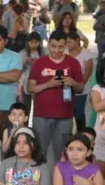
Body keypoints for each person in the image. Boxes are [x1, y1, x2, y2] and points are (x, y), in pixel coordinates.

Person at [29, 30, 85, 169]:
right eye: (53, 46)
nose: (57, 50)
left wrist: (72, 82)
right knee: (39, 152)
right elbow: (30, 88)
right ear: (48, 45)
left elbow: (80, 89)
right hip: (41, 115)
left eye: (61, 47)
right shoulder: (39, 62)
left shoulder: (73, 63)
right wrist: (48, 84)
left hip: (65, 116)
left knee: (62, 153)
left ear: (66, 45)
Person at [67, 31, 96, 134]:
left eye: (69, 42)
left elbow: (88, 71)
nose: (67, 44)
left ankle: (81, 133)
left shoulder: (86, 54)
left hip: (81, 88)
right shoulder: (65, 53)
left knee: (79, 112)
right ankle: (67, 132)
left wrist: (80, 84)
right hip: (66, 88)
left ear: (77, 41)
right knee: (68, 112)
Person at [19, 32, 44, 118]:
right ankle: (25, 126)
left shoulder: (44, 52)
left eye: (35, 42)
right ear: (27, 42)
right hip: (25, 82)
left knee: (39, 106)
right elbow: (18, 70)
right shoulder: (23, 53)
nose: (33, 44)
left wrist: (38, 62)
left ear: (39, 42)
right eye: (31, 42)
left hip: (40, 82)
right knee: (25, 107)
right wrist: (25, 62)